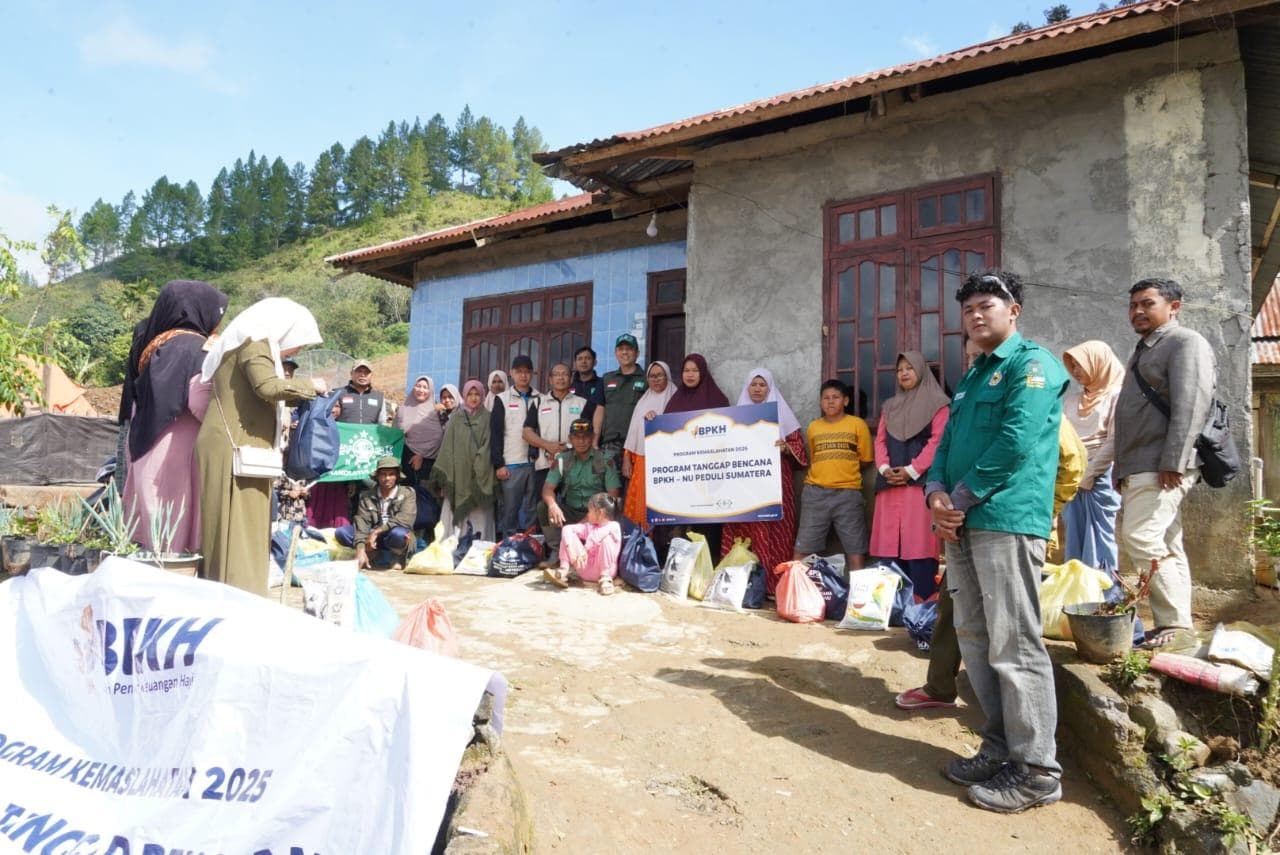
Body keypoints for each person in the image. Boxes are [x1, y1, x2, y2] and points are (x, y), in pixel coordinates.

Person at [924, 270, 1067, 813]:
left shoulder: (1032, 366)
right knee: (977, 637)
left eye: (988, 305)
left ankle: (1036, 770)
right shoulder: (970, 376)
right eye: (968, 310)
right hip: (960, 520)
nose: (977, 315)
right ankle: (1001, 748)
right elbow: (947, 443)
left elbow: (1016, 441)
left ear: (1015, 311)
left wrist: (958, 498)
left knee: (1015, 642)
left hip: (1006, 519)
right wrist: (936, 493)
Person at [897, 342, 1089, 716]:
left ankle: (1027, 745)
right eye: (970, 357)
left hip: (1012, 524)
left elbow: (1071, 464)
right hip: (965, 524)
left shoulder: (1029, 395)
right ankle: (948, 691)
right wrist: (941, 499)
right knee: (957, 614)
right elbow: (948, 455)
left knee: (1011, 632)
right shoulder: (967, 402)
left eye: (981, 356)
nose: (975, 363)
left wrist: (1047, 510)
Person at [196, 298, 326, 595]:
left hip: (235, 446)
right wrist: (311, 385)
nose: (297, 351)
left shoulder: (245, 340)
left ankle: (231, 591)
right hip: (236, 449)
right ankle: (240, 593)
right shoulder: (255, 342)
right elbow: (267, 387)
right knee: (240, 526)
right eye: (299, 344)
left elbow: (263, 392)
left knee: (240, 525)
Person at [1113, 278, 1215, 651]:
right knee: (1167, 542)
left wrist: (1175, 459)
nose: (1137, 311)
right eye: (1133, 305)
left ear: (1174, 307)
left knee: (1140, 537)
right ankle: (1179, 623)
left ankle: (1171, 622)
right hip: (1142, 464)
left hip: (1162, 465)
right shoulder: (1144, 349)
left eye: (1147, 304)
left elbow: (1192, 404)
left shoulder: (1185, 342)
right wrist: (1119, 469)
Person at [121, 279, 228, 555]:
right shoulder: (197, 347)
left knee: (149, 512)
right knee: (177, 515)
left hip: (144, 439)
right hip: (179, 447)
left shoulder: (151, 342)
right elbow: (198, 400)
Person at [869, 352, 950, 599]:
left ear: (922, 371)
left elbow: (938, 442)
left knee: (919, 543)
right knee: (889, 542)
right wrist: (884, 469)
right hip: (889, 484)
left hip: (920, 485)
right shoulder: (890, 406)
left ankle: (922, 603)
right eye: (899, 369)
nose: (903, 373)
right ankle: (890, 606)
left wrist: (912, 470)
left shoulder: (939, 405)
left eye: (909, 368)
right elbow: (880, 440)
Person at [720, 368, 808, 591]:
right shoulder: (735, 418)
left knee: (775, 528)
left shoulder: (782, 415)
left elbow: (799, 448)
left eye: (762, 385)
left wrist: (786, 448)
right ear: (747, 388)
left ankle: (772, 584)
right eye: (753, 385)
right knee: (743, 528)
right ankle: (741, 584)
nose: (757, 389)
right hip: (743, 483)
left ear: (769, 388)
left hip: (776, 482)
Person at [792, 380, 873, 574]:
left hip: (848, 494)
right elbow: (814, 457)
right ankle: (795, 592)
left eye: (835, 397)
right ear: (820, 402)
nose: (830, 402)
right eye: (826, 398)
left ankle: (857, 597)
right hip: (815, 494)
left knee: (855, 549)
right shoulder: (813, 427)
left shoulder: (857, 425)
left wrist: (843, 474)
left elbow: (866, 459)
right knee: (802, 549)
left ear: (845, 401)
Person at [1059, 341, 1125, 569]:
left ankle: (1106, 594)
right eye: (1073, 367)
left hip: (1102, 472)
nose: (1076, 372)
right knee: (1074, 532)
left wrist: (1090, 473)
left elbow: (1115, 440)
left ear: (1098, 364)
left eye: (1080, 365)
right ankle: (1078, 598)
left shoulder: (1117, 396)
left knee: (1099, 533)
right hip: (1071, 473)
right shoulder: (1070, 400)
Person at [537, 419, 621, 560]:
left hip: (596, 514)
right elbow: (547, 489)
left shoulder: (605, 460)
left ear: (593, 437)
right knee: (543, 507)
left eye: (585, 437)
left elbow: (613, 495)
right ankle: (557, 551)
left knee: (613, 509)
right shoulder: (563, 460)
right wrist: (552, 505)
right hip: (570, 512)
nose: (581, 441)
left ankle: (590, 551)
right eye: (576, 437)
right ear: (570, 438)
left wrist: (588, 519)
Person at [431, 379, 497, 540]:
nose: (473, 398)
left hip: (480, 478)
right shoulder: (456, 418)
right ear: (464, 396)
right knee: (454, 518)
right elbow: (447, 448)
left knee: (479, 516)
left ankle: (479, 554)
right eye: (470, 394)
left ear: (482, 395)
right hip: (457, 477)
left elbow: (488, 447)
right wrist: (447, 479)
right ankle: (452, 552)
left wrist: (478, 471)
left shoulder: (488, 418)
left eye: (477, 394)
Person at [525, 363, 597, 499]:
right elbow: (526, 432)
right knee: (544, 507)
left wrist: (568, 449)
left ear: (570, 379)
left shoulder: (582, 403)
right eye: (556, 374)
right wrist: (548, 446)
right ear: (550, 379)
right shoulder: (539, 402)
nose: (560, 378)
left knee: (572, 505)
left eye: (564, 374)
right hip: (545, 464)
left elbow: (588, 435)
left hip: (574, 464)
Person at [621, 361, 675, 531]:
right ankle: (638, 544)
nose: (656, 379)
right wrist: (626, 459)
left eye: (660, 375)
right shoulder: (644, 400)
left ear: (667, 376)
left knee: (662, 505)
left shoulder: (676, 397)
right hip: (641, 460)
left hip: (667, 462)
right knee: (640, 501)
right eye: (652, 376)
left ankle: (659, 545)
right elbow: (633, 432)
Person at [491, 355, 540, 536]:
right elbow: (495, 434)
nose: (523, 375)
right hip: (511, 463)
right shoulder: (502, 399)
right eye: (519, 372)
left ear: (532, 374)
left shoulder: (540, 398)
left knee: (531, 510)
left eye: (527, 372)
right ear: (512, 374)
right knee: (509, 511)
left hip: (536, 464)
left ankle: (528, 548)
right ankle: (508, 549)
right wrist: (499, 464)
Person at [339, 455, 416, 571]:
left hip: (391, 535)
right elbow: (362, 522)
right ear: (377, 477)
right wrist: (360, 548)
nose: (387, 478)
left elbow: (404, 520)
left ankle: (397, 556)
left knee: (399, 534)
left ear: (397, 476)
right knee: (342, 532)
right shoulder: (366, 496)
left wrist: (377, 532)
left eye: (391, 474)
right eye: (383, 474)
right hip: (372, 537)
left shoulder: (408, 494)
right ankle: (371, 553)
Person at [543, 492, 623, 596]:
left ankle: (605, 579)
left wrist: (585, 549)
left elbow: (597, 536)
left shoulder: (614, 526)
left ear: (600, 512)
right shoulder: (589, 526)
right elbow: (567, 529)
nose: (587, 514)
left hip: (605, 572)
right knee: (567, 534)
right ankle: (563, 570)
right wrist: (570, 549)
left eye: (589, 511)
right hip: (584, 570)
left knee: (606, 540)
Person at [395, 375, 445, 539]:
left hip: (429, 462)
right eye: (418, 386)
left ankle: (427, 540)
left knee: (427, 501)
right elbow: (395, 433)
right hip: (405, 459)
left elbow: (440, 437)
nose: (421, 390)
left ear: (430, 391)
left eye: (425, 387)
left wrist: (422, 454)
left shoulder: (436, 410)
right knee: (406, 501)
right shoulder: (403, 408)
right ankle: (406, 539)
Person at [599, 334, 648, 463]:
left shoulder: (647, 379)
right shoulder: (606, 379)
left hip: (638, 444)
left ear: (637, 353)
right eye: (621, 349)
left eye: (629, 349)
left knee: (636, 483)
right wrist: (595, 441)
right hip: (609, 443)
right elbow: (600, 410)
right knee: (609, 482)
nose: (625, 352)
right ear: (616, 353)